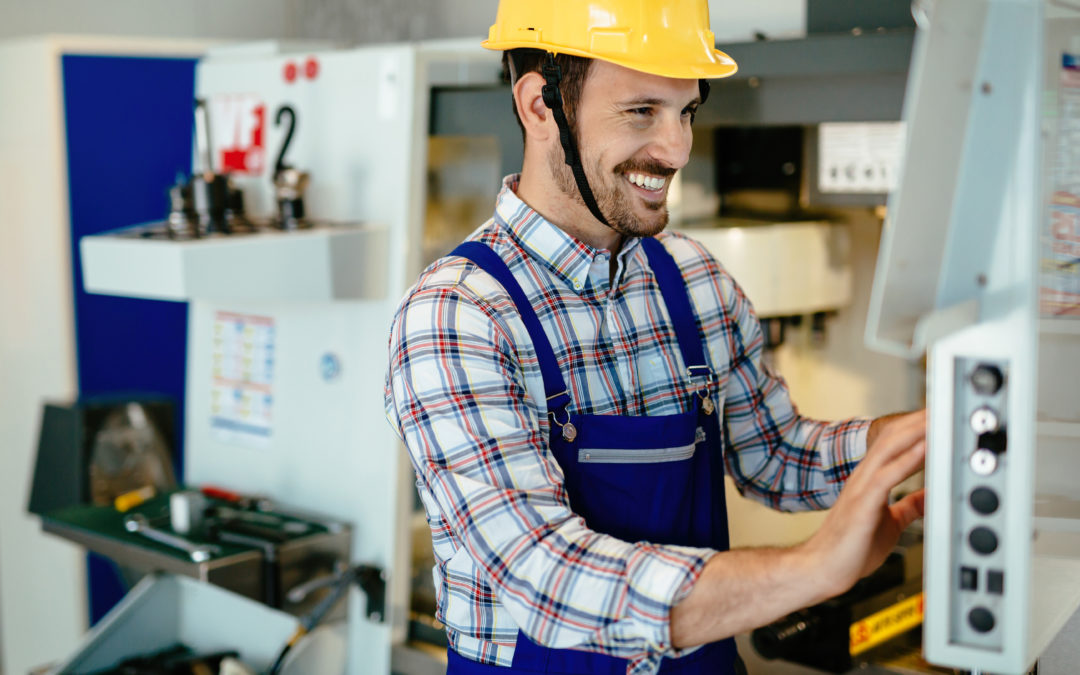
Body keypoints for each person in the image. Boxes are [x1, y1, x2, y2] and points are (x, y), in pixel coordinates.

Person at [384, 2, 927, 673]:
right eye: (642, 110)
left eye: (686, 111)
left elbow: (776, 455)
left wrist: (915, 440)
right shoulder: (457, 315)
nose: (676, 149)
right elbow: (547, 577)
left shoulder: (694, 278)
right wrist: (809, 569)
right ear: (539, 106)